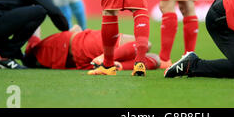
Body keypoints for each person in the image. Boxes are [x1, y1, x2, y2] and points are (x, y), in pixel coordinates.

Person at [23, 25, 160, 72]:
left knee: (155, 59)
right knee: (146, 44)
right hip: (85, 43)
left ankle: (118, 65)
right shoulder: (37, 48)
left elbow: (34, 34)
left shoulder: (45, 56)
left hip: (84, 57)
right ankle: (107, 59)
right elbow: (34, 30)